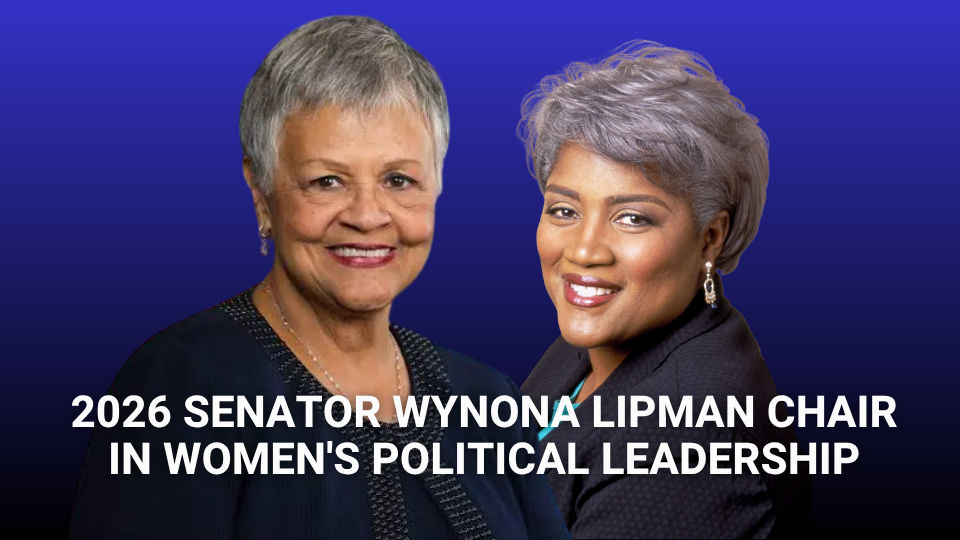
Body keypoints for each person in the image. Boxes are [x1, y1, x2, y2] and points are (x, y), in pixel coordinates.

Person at [70, 16, 568, 540]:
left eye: (399, 180)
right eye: (327, 181)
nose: (368, 216)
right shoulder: (181, 385)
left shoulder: (487, 400)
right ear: (261, 192)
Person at [518, 41, 812, 537]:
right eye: (564, 210)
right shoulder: (596, 345)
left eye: (632, 218)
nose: (584, 251)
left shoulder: (681, 439)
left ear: (710, 237)